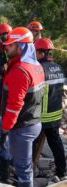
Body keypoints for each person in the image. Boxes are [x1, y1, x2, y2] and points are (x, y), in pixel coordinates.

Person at [0, 27, 45, 187]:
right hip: (33, 122)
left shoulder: (20, 70)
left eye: (10, 45)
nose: (6, 48)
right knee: (24, 166)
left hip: (22, 126)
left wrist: (5, 130)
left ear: (21, 47)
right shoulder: (35, 65)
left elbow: (14, 106)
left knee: (23, 171)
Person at [35, 38, 67, 181]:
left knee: (32, 142)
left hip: (42, 115)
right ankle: (62, 171)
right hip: (56, 115)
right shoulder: (58, 67)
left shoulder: (39, 69)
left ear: (41, 53)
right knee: (56, 143)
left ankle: (29, 172)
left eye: (36, 51)